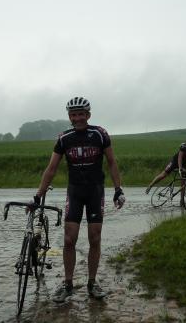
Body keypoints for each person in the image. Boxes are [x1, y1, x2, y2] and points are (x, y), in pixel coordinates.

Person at [31, 96, 125, 303]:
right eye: (74, 114)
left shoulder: (100, 134)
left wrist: (118, 189)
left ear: (88, 115)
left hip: (95, 191)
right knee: (68, 239)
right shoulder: (64, 138)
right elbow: (51, 169)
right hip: (74, 192)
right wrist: (38, 195)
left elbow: (111, 162)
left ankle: (92, 283)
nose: (78, 118)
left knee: (95, 238)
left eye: (81, 114)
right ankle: (68, 283)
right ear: (69, 117)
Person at [145, 133, 186, 207]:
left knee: (183, 182)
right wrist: (180, 168)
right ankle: (151, 185)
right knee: (164, 175)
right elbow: (180, 157)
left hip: (183, 164)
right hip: (175, 161)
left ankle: (182, 201)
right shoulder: (184, 146)